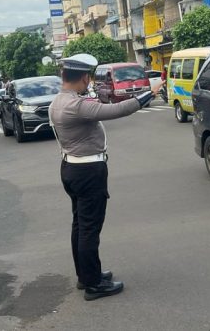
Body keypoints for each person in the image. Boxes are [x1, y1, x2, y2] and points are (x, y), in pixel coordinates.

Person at [49, 53, 160, 301]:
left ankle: (86, 275)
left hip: (71, 168)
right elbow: (118, 109)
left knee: (80, 225)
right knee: (89, 229)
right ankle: (94, 284)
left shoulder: (59, 100)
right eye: (89, 78)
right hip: (88, 172)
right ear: (84, 77)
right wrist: (149, 94)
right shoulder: (76, 105)